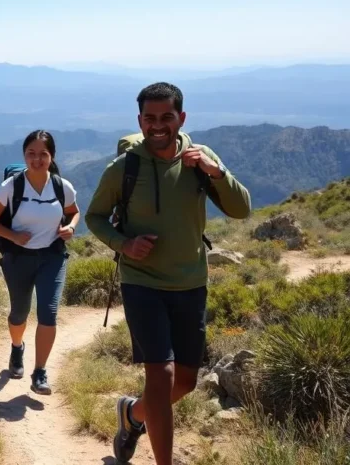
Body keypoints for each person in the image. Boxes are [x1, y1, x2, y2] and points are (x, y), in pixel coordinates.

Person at [85, 82, 251, 465]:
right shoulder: (125, 167)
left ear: (181, 118)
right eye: (150, 118)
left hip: (191, 282)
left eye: (166, 117)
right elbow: (94, 217)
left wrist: (217, 172)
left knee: (186, 381)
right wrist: (124, 244)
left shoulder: (200, 159)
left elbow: (241, 209)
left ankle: (133, 414)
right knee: (160, 375)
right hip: (141, 281)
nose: (158, 125)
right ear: (140, 120)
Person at [0, 130, 80, 395]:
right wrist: (14, 236)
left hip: (52, 257)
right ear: (24, 155)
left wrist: (70, 227)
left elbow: (74, 212)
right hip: (18, 259)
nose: (37, 159)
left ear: (52, 156)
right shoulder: (11, 187)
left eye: (43, 154)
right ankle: (17, 348)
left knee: (48, 314)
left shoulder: (61, 186)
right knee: (19, 313)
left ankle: (39, 372)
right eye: (31, 154)